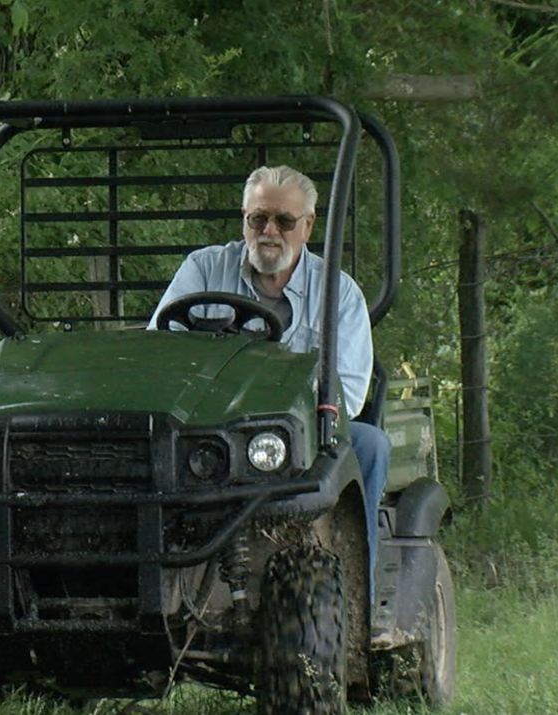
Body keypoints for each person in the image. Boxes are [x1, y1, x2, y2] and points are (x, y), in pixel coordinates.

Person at [149, 164, 390, 588]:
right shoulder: (203, 270)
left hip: (297, 433)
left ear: (309, 225)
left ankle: (357, 596)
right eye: (258, 219)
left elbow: (349, 391)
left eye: (284, 221)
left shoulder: (339, 291)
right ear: (244, 220)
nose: (270, 231)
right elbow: (161, 354)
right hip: (210, 431)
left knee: (369, 444)